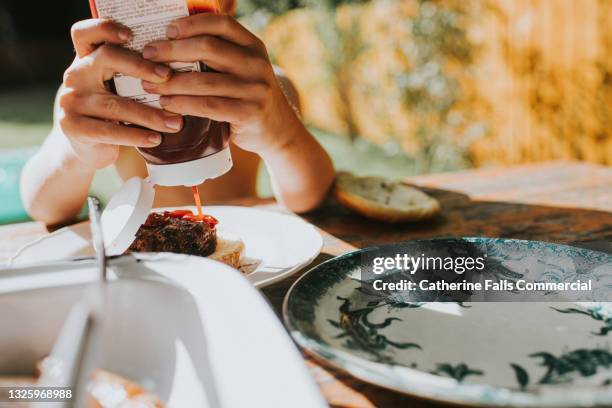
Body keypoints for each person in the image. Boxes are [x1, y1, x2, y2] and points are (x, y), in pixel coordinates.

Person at [20, 0, 334, 226]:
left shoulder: (260, 91)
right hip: (148, 265)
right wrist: (75, 152)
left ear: (226, 7)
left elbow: (308, 197)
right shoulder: (95, 97)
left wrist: (282, 137)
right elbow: (44, 208)